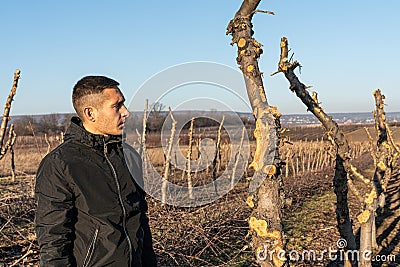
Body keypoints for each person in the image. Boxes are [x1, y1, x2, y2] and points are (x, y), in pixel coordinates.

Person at [34, 76, 157, 266]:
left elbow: (140, 220)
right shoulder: (60, 164)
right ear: (90, 113)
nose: (126, 112)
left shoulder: (130, 156)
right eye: (117, 106)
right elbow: (53, 239)